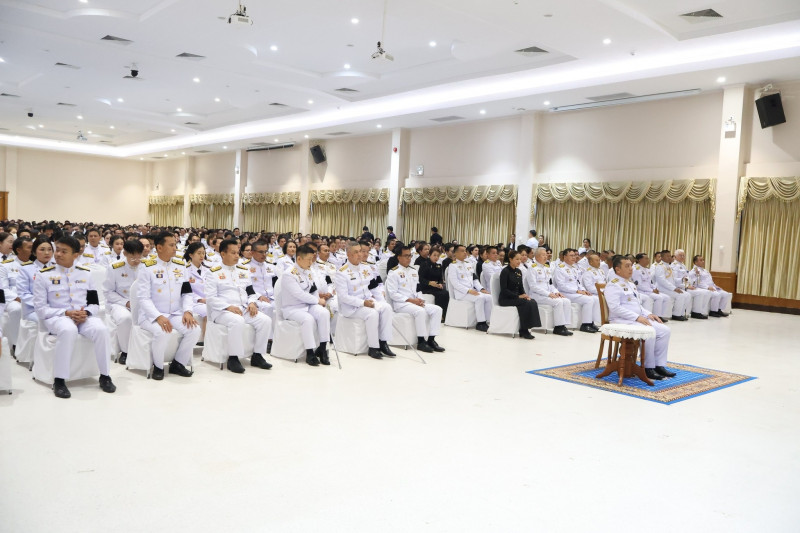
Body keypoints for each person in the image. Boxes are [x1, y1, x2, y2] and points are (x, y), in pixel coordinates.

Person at [32, 236, 116, 398]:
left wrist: (87, 313)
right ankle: (59, 380)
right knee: (68, 329)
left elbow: (94, 304)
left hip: (82, 317)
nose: (58, 254)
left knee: (101, 329)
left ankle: (105, 376)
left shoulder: (86, 274)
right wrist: (66, 313)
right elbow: (41, 309)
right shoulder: (44, 275)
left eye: (64, 251)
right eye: (57, 250)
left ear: (75, 255)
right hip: (57, 318)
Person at [136, 232, 200, 379]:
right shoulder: (147, 267)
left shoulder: (180, 265)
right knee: (163, 332)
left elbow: (187, 293)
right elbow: (143, 298)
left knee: (194, 330)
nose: (175, 248)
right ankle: (158, 367)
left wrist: (188, 311)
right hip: (150, 316)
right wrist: (158, 316)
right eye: (171, 245)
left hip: (175, 313)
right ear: (159, 247)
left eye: (175, 245)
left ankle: (178, 363)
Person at [204, 239, 273, 373]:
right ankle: (233, 358)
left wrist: (252, 302)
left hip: (242, 308)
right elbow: (211, 298)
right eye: (233, 253)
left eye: (237, 252)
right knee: (237, 321)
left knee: (265, 320)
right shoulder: (213, 272)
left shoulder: (243, 270)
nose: (237, 256)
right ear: (223, 254)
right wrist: (228, 307)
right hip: (222, 312)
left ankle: (257, 355)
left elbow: (250, 291)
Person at [605, 256, 674, 380]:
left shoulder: (630, 284)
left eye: (631, 265)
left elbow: (637, 305)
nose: (631, 268)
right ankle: (648, 367)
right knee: (649, 331)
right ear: (618, 269)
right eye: (627, 266)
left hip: (635, 319)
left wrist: (648, 314)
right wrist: (637, 317)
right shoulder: (613, 285)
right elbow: (615, 308)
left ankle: (659, 365)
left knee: (664, 330)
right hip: (621, 320)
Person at [334, 241, 395, 359]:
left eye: (360, 251)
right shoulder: (342, 273)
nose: (360, 254)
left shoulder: (366, 268)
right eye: (356, 252)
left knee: (386, 307)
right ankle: (373, 348)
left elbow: (374, 288)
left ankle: (383, 343)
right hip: (351, 307)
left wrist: (381, 302)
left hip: (367, 301)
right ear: (349, 254)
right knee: (372, 314)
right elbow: (343, 297)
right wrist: (362, 303)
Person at [385, 245, 445, 353]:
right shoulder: (393, 272)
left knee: (437, 309)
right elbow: (393, 294)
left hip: (415, 302)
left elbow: (418, 289)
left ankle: (431, 339)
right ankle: (421, 341)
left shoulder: (413, 271)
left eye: (410, 256)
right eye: (406, 256)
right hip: (401, 304)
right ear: (399, 257)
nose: (409, 258)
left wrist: (420, 300)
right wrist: (412, 301)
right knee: (420, 311)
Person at [279, 244, 331, 366]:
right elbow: (299, 294)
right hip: (292, 308)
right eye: (308, 259)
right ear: (299, 259)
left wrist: (318, 301)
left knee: (324, 313)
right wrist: (317, 301)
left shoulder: (308, 271)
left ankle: (322, 348)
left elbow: (313, 290)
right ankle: (310, 352)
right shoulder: (289, 274)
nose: (311, 262)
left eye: (312, 259)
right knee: (308, 319)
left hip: (308, 305)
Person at [103, 239, 144, 366]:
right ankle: (126, 352)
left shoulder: (146, 266)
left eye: (139, 257)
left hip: (142, 302)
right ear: (125, 253)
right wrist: (126, 302)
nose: (136, 261)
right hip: (120, 302)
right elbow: (108, 292)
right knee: (125, 318)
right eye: (133, 257)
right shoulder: (114, 267)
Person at [524, 248, 573, 336]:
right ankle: (558, 327)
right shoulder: (532, 268)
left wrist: (556, 292)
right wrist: (548, 294)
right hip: (537, 295)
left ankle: (563, 325)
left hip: (548, 294)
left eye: (546, 255)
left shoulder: (547, 268)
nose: (545, 257)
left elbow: (550, 284)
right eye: (543, 255)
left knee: (566, 301)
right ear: (537, 256)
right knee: (558, 302)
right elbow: (533, 287)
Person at [552, 248, 600, 333]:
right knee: (588, 300)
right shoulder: (560, 268)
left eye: (574, 255)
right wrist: (577, 291)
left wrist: (584, 290)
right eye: (571, 256)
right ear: (565, 257)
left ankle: (591, 322)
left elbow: (579, 283)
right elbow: (561, 286)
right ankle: (585, 325)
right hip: (565, 293)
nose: (574, 257)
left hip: (575, 293)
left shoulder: (574, 268)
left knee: (595, 298)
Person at [446, 244, 492, 331]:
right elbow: (455, 283)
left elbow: (474, 279)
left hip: (472, 291)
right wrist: (468, 290)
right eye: (462, 251)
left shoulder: (468, 264)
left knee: (489, 297)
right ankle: (481, 323)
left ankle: (488, 321)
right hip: (461, 293)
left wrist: (481, 289)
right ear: (455, 253)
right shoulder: (453, 266)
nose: (465, 253)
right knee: (480, 298)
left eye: (465, 251)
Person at [498, 250, 542, 339]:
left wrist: (525, 295)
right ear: (510, 259)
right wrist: (518, 296)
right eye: (517, 259)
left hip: (516, 297)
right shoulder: (505, 271)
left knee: (532, 301)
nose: (519, 261)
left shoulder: (518, 271)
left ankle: (530, 327)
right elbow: (504, 290)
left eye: (520, 259)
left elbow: (521, 287)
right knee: (525, 303)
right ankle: (523, 330)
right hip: (506, 299)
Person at [672, 249, 711, 319]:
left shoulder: (683, 265)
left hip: (686, 286)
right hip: (680, 287)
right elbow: (674, 280)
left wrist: (690, 284)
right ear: (675, 256)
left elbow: (687, 278)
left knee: (705, 292)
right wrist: (687, 286)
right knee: (700, 293)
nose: (682, 257)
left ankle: (699, 312)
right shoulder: (674, 266)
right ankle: (695, 312)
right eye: (680, 255)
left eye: (683, 255)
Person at [654, 250, 690, 321]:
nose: (669, 257)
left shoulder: (669, 266)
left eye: (670, 256)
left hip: (670, 288)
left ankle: (681, 313)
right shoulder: (660, 266)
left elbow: (672, 279)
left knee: (687, 295)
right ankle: (676, 314)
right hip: (662, 288)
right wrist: (674, 288)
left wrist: (681, 279)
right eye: (667, 256)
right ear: (662, 257)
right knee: (681, 295)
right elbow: (662, 280)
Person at [418, 247, 449, 317]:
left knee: (446, 293)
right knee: (441, 294)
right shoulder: (424, 264)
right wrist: (429, 283)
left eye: (438, 255)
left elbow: (440, 279)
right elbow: (420, 278)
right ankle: (439, 315)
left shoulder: (438, 266)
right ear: (429, 255)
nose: (436, 257)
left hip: (436, 287)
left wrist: (440, 283)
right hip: (426, 287)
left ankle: (444, 313)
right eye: (434, 255)